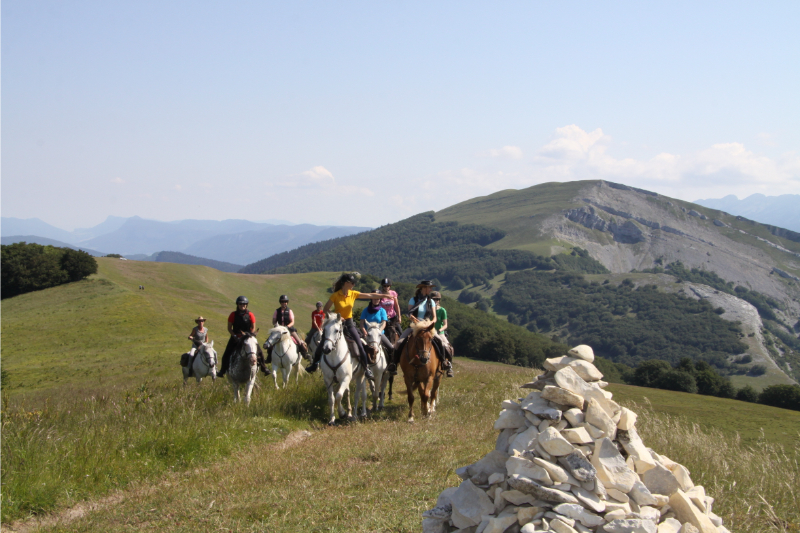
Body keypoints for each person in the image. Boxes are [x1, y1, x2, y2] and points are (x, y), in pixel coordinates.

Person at [305, 273, 390, 380]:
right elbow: (325, 310)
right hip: (336, 322)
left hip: (349, 323)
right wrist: (336, 317)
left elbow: (370, 295)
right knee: (323, 343)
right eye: (352, 283)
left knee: (360, 345)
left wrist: (385, 295)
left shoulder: (353, 293)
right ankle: (314, 364)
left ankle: (366, 369)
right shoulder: (335, 295)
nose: (354, 284)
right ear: (346, 283)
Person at [387, 280, 437, 375]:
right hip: (415, 326)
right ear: (423, 288)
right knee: (399, 342)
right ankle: (393, 363)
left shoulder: (432, 302)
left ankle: (445, 364)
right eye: (429, 288)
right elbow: (410, 315)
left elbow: (434, 317)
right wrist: (418, 323)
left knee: (441, 343)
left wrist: (430, 323)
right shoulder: (413, 300)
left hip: (428, 327)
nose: (430, 289)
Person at [217, 295, 258, 378]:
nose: (242, 305)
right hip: (236, 337)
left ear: (246, 305)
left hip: (247, 337)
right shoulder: (233, 314)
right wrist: (234, 336)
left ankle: (264, 367)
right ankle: (223, 370)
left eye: (244, 304)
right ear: (237, 305)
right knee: (226, 353)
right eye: (240, 304)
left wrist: (249, 336)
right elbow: (229, 328)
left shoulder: (250, 314)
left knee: (258, 351)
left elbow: (253, 327)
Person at [266, 295, 309, 361]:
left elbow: (292, 322)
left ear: (287, 302)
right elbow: (274, 321)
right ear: (280, 302)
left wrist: (287, 326)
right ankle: (269, 356)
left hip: (289, 330)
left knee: (298, 341)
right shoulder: (277, 311)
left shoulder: (290, 311)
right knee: (270, 341)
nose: (284, 303)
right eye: (283, 302)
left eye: (285, 302)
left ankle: (304, 354)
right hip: (279, 330)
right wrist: (277, 326)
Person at [431, 291, 454, 377]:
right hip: (429, 332)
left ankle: (448, 365)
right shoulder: (428, 309)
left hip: (439, 332)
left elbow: (445, 325)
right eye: (434, 299)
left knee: (447, 346)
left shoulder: (442, 310)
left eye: (437, 299)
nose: (436, 301)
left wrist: (439, 330)